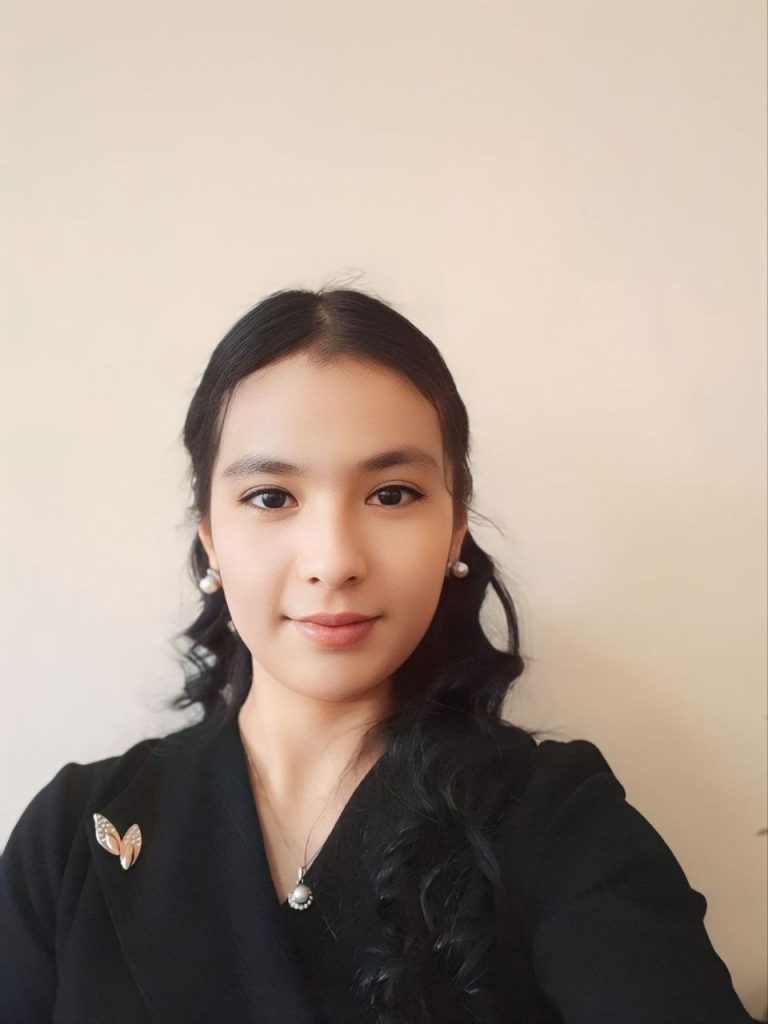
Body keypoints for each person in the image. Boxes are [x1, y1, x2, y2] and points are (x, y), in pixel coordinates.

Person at [0, 287, 758, 1024]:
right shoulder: (75, 834)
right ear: (211, 541)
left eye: (392, 494)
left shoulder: (554, 820)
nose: (333, 561)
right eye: (271, 496)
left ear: (455, 532)